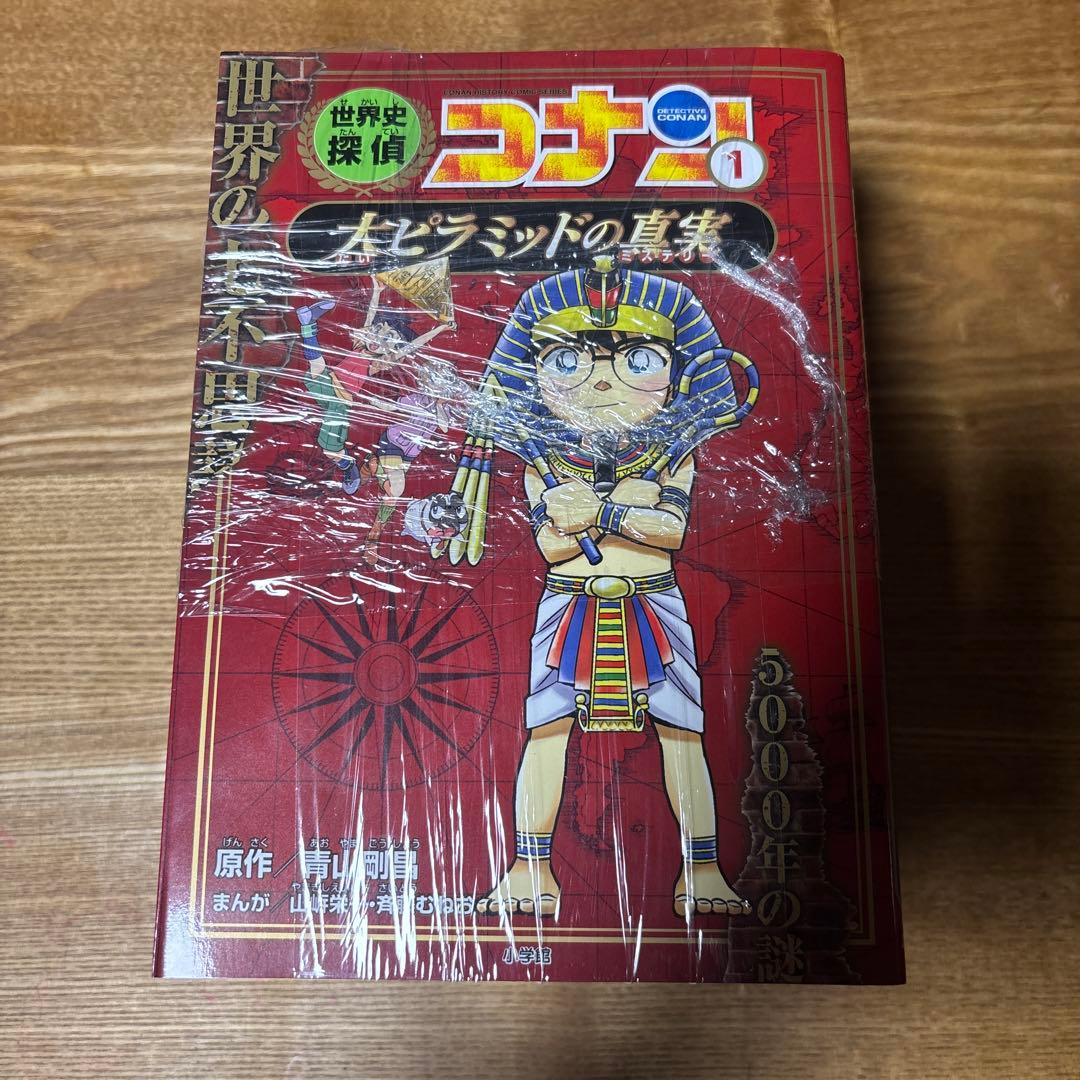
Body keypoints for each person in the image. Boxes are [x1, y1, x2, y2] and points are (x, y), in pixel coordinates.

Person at [449, 257, 753, 921]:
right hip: (568, 603)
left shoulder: (672, 454)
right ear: (535, 376)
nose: (602, 381)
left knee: (683, 736)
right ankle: (530, 870)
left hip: (654, 601)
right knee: (547, 732)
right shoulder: (544, 461)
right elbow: (554, 547)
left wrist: (600, 513)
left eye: (637, 360)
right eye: (568, 362)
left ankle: (702, 871)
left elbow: (670, 532)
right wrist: (620, 512)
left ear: (676, 373)